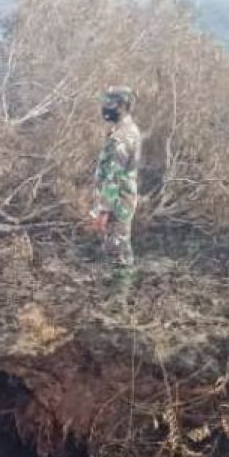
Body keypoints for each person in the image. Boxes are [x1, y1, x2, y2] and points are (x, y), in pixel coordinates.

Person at [90, 86, 142, 306]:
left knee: (119, 250)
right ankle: (115, 295)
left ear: (122, 106)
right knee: (115, 247)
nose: (106, 108)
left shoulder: (121, 137)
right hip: (120, 199)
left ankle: (118, 301)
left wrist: (102, 211)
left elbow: (113, 176)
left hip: (117, 202)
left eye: (111, 103)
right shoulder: (125, 130)